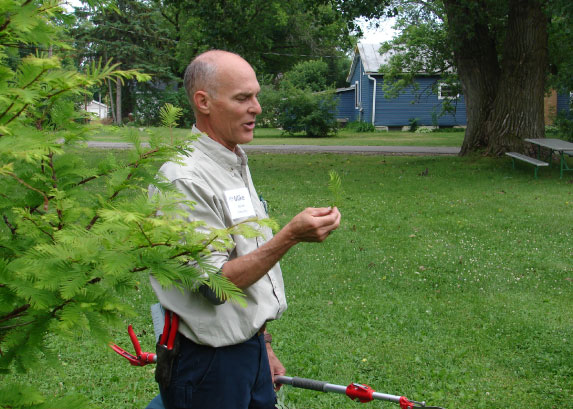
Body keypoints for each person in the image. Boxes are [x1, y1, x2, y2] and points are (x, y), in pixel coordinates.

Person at [146, 50, 341, 409]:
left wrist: (262, 346)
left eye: (256, 95)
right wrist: (290, 236)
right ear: (203, 102)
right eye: (243, 98)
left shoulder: (231, 159)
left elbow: (243, 256)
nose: (257, 108)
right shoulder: (184, 178)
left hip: (246, 353)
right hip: (207, 365)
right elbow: (214, 286)